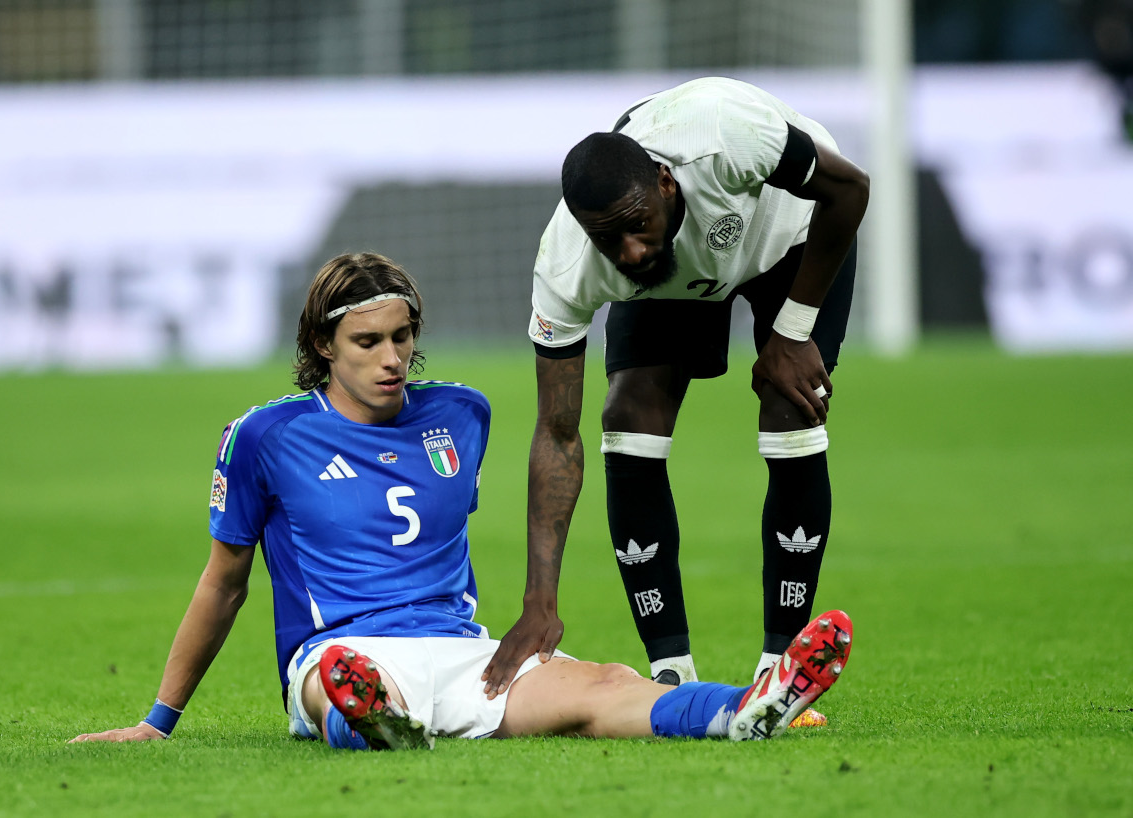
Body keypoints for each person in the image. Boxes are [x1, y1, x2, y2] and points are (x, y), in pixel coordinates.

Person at [69, 251, 853, 750]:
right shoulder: (264, 437)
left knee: (609, 684)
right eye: (367, 343)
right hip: (341, 649)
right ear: (320, 348)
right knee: (340, 678)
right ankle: (370, 718)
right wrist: (157, 721)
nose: (393, 358)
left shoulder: (460, 414)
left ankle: (749, 707)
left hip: (466, 650)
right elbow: (225, 582)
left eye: (403, 337)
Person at [481, 77, 869, 708]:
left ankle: (782, 673)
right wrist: (539, 598)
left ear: (665, 183)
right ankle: (670, 673)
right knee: (627, 416)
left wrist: (792, 331)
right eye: (608, 239)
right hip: (674, 282)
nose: (629, 250)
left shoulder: (726, 137)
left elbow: (850, 190)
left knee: (788, 405)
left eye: (636, 224)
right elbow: (557, 432)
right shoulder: (568, 264)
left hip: (790, 238)